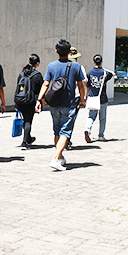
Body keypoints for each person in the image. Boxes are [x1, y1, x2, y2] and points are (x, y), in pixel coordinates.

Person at [35, 39, 87, 171]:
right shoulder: (76, 67)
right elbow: (80, 85)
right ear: (69, 52)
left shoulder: (51, 66)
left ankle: (60, 156)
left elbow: (46, 84)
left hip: (54, 104)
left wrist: (39, 99)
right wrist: (82, 99)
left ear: (56, 51)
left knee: (57, 131)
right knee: (65, 132)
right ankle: (56, 158)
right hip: (68, 104)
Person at [14, 54, 44, 149]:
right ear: (37, 63)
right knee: (28, 121)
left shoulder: (22, 73)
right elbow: (41, 89)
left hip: (20, 100)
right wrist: (42, 101)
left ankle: (28, 137)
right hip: (30, 101)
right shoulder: (37, 75)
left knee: (25, 120)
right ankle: (25, 141)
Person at [85, 54, 116, 142]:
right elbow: (113, 74)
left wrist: (86, 97)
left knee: (91, 116)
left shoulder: (89, 73)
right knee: (102, 118)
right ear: (101, 62)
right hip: (102, 99)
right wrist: (103, 68)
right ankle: (101, 135)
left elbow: (87, 87)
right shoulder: (105, 73)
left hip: (93, 98)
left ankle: (87, 129)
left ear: (94, 62)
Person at [65, 47, 86, 150]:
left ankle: (60, 139)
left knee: (61, 119)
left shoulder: (61, 64)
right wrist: (83, 99)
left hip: (62, 97)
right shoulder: (79, 67)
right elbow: (83, 83)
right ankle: (67, 140)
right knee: (71, 119)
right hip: (75, 97)